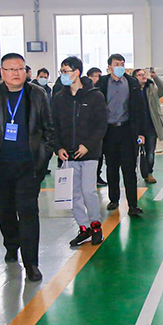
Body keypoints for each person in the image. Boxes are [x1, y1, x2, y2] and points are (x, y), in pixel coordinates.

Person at [0, 53, 53, 282]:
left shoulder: (37, 94)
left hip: (29, 165)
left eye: (20, 68)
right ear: (2, 72)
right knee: (6, 211)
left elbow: (48, 129)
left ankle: (31, 263)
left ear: (26, 71)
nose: (16, 73)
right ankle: (11, 244)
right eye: (10, 69)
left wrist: (43, 158)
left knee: (28, 212)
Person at [52, 56, 108, 246]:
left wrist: (88, 145)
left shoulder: (95, 96)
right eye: (61, 71)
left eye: (65, 71)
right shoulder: (59, 98)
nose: (62, 75)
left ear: (76, 72)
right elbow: (53, 125)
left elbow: (101, 125)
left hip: (89, 154)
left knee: (88, 191)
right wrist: (58, 147)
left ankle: (96, 225)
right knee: (73, 193)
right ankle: (83, 227)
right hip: (68, 155)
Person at [96, 54, 147, 216]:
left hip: (127, 130)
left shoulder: (132, 83)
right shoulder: (102, 83)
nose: (120, 67)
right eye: (117, 64)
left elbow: (140, 109)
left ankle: (133, 204)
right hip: (109, 131)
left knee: (129, 168)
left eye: (122, 64)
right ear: (109, 67)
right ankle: (114, 199)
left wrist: (141, 132)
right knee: (111, 168)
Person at [134, 68, 163, 184]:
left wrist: (155, 77)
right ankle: (135, 173)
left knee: (150, 152)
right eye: (140, 75)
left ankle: (148, 173)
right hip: (136, 127)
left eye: (144, 74)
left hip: (150, 126)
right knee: (135, 152)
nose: (143, 76)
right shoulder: (132, 90)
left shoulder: (152, 88)